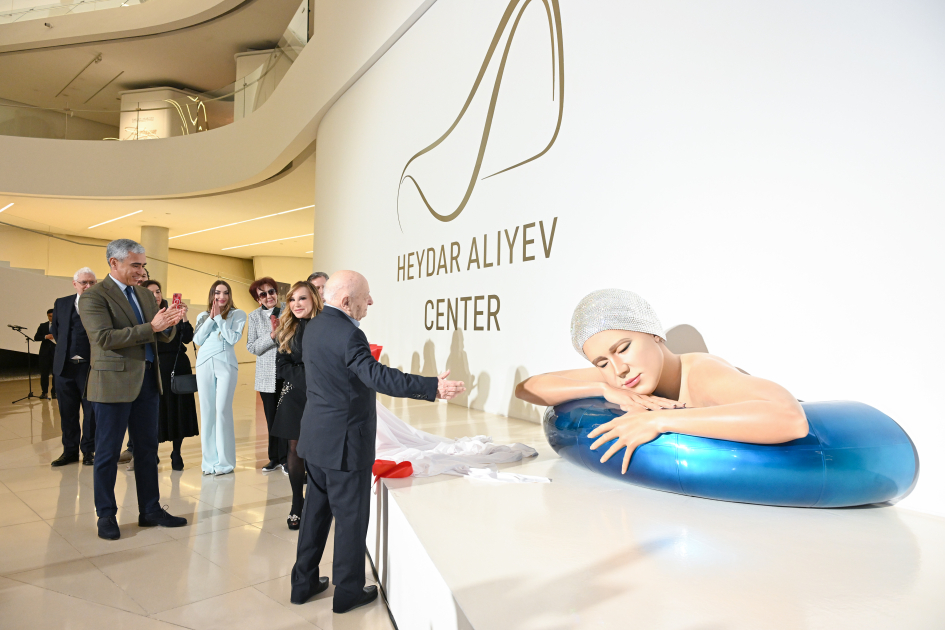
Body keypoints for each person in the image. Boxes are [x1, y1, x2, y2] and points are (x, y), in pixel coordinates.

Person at [290, 270, 465, 613]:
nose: (370, 302)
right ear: (346, 301)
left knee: (314, 515)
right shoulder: (348, 334)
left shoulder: (314, 326)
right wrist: (433, 387)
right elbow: (377, 377)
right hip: (344, 445)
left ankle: (303, 583)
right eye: (365, 297)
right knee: (351, 519)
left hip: (316, 440)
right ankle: (348, 592)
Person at [515, 289, 809, 474]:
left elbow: (790, 418)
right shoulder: (621, 377)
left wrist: (657, 422)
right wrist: (601, 387)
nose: (619, 369)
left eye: (623, 348)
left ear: (655, 334)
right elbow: (527, 387)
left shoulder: (703, 373)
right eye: (601, 363)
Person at [79, 239, 187, 540]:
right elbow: (104, 338)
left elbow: (161, 335)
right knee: (108, 453)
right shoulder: (94, 297)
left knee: (147, 450)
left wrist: (170, 323)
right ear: (114, 263)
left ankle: (150, 509)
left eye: (143, 264)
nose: (141, 270)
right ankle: (106, 515)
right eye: (135, 264)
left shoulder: (143, 294)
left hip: (148, 382)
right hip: (112, 383)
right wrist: (152, 327)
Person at [272, 281, 322, 530]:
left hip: (321, 397)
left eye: (302, 299)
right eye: (292, 300)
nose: (296, 304)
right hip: (295, 395)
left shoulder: (325, 325)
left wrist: (307, 375)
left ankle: (317, 503)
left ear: (313, 299)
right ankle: (296, 504)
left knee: (316, 451)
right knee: (294, 449)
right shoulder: (287, 328)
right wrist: (306, 377)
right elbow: (281, 366)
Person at [142, 280, 198, 471]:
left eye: (158, 291)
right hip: (153, 367)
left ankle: (177, 452)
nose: (156, 295)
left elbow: (189, 337)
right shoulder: (142, 315)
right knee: (154, 412)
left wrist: (183, 317)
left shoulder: (172, 311)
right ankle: (153, 453)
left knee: (178, 411)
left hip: (177, 365)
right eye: (151, 293)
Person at [194, 280, 247, 476]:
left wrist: (218, 320)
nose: (221, 296)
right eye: (217, 293)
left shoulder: (238, 314)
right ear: (212, 295)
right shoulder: (202, 315)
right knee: (207, 412)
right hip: (204, 363)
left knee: (222, 410)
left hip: (226, 364)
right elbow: (198, 340)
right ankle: (209, 463)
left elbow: (232, 338)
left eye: (225, 293)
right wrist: (210, 318)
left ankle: (225, 463)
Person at [49, 267, 98, 467]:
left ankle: (88, 451)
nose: (87, 286)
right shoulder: (61, 303)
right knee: (67, 413)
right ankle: (69, 452)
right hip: (65, 367)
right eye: (84, 282)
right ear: (75, 283)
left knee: (91, 412)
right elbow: (57, 331)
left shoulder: (101, 304)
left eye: (91, 283)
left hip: (90, 367)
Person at [246, 276, 287, 472]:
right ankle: (275, 457)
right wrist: (271, 336)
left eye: (271, 291)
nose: (269, 296)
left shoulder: (289, 309)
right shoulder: (253, 317)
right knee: (271, 418)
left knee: (288, 416)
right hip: (266, 375)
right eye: (263, 294)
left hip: (288, 372)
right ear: (258, 299)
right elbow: (252, 347)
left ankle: (289, 458)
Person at [33, 309, 56, 400]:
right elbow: (36, 337)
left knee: (56, 374)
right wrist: (46, 337)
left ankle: (54, 392)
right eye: (50, 316)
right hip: (44, 353)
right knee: (44, 373)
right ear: (47, 316)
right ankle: (44, 392)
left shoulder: (60, 325)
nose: (51, 318)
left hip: (56, 352)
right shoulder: (43, 326)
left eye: (53, 316)